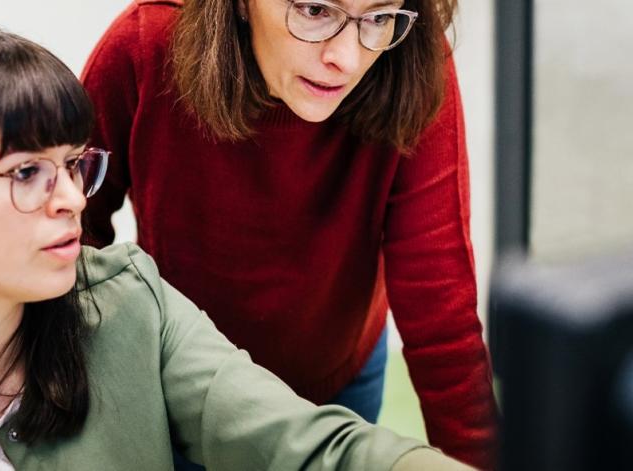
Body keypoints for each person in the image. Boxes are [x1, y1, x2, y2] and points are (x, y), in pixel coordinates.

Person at [0, 21, 473, 471]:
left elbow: (316, 449)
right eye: (27, 170)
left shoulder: (129, 309)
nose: (72, 196)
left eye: (74, 163)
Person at [80, 0, 497, 468]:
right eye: (316, 10)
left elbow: (442, 314)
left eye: (379, 17)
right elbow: (74, 230)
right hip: (183, 389)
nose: (348, 58)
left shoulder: (413, 56)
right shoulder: (144, 43)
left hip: (338, 378)